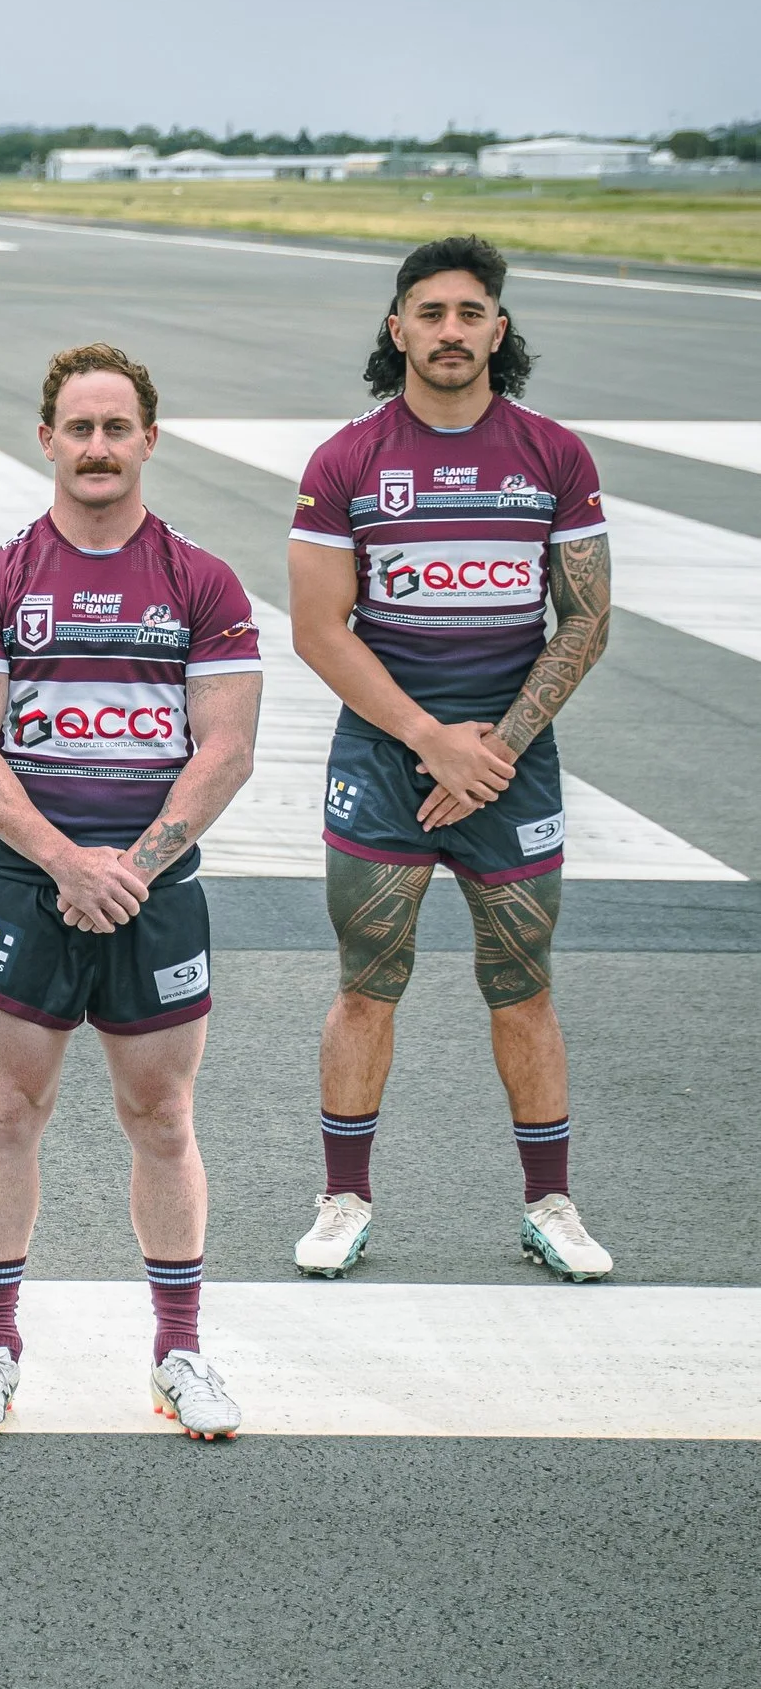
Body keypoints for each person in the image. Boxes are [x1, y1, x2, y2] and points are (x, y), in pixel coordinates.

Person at [0, 344, 263, 1439]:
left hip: (154, 890)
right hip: (27, 887)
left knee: (161, 1116)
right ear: (46, 441)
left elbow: (225, 749)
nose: (97, 448)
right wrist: (66, 863)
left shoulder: (200, 580)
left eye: (116, 428)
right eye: (78, 428)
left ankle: (179, 1354)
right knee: (9, 1109)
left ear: (149, 440)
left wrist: (132, 866)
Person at [288, 236, 613, 1283]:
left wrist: (495, 750)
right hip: (387, 754)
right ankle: (344, 1198)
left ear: (498, 331)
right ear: (396, 329)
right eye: (427, 313)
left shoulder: (554, 456)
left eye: (469, 313)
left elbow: (583, 620)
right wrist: (432, 741)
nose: (448, 331)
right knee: (365, 981)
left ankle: (548, 1204)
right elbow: (318, 629)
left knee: (521, 981)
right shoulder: (346, 461)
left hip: (511, 761)